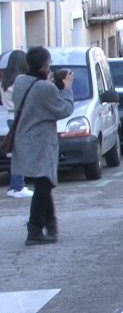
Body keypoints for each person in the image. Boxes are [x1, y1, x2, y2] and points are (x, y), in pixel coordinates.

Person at [11, 46, 74, 246]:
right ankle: (35, 230)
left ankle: (50, 225)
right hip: (41, 142)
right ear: (45, 65)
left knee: (42, 182)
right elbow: (64, 109)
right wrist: (67, 88)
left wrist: (47, 83)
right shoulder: (44, 88)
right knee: (44, 184)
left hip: (23, 139)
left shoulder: (20, 81)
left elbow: (34, 101)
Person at [1, 50, 34, 198]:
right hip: (19, 117)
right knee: (21, 153)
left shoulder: (5, 80)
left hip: (10, 116)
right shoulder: (20, 80)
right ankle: (19, 186)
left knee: (16, 153)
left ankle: (15, 186)